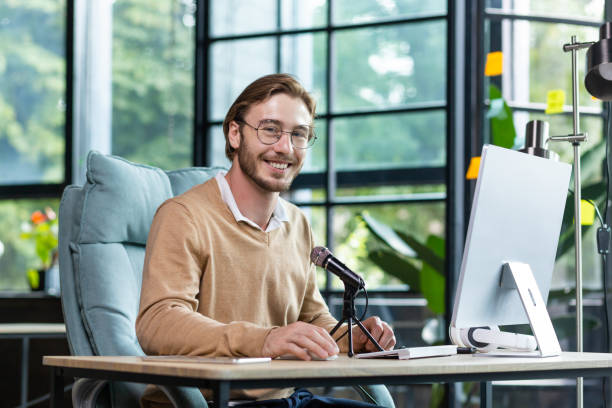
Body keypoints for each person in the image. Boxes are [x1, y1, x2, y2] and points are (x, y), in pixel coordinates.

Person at [136, 73, 396, 406]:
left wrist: (352, 337)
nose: (284, 147)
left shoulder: (297, 223)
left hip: (287, 398)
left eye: (298, 134)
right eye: (270, 129)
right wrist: (265, 339)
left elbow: (312, 319)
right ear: (234, 133)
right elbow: (158, 322)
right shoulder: (183, 216)